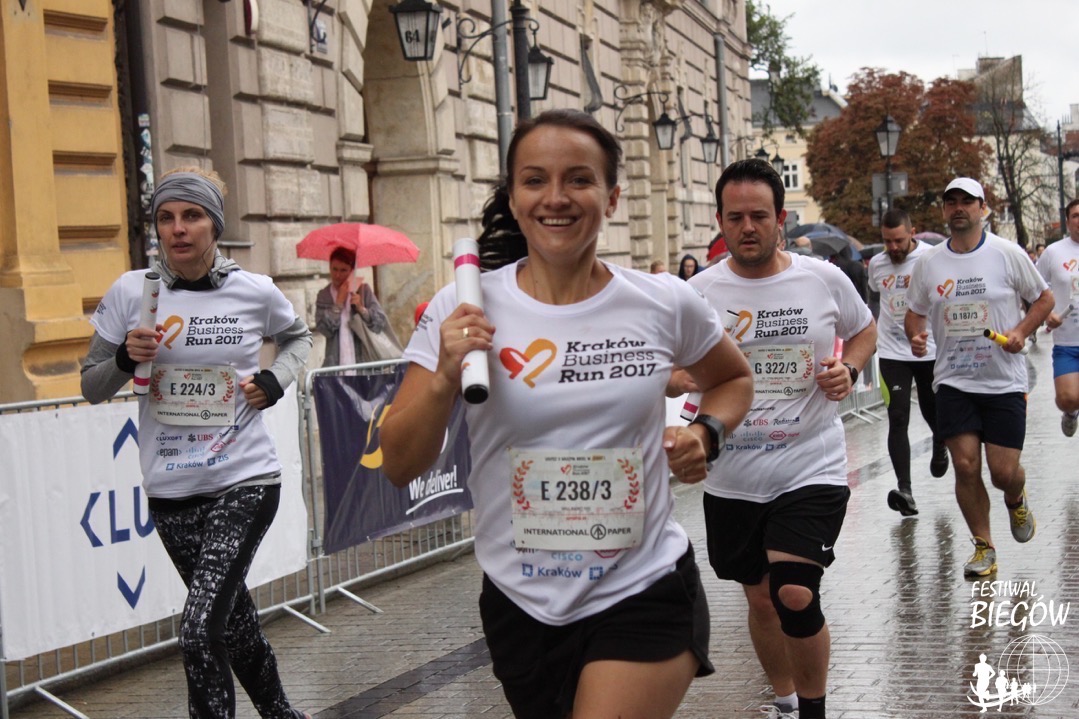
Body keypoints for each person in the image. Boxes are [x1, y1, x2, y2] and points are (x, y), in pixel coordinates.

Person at [379, 109, 753, 719]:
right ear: (514, 197)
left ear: (612, 197)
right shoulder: (463, 308)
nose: (556, 197)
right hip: (520, 602)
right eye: (535, 180)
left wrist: (705, 432)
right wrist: (446, 374)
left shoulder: (662, 301)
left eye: (579, 179)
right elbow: (399, 463)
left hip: (642, 587)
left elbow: (733, 378)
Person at [80, 168, 313, 719]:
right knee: (232, 624)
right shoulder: (132, 292)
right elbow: (91, 386)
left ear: (215, 225)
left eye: (192, 216)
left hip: (244, 479)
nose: (178, 229)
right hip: (171, 490)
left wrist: (274, 380)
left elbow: (298, 338)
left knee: (198, 628)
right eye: (166, 218)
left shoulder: (253, 290)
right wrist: (124, 358)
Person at [687, 158, 877, 719]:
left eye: (760, 216)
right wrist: (682, 383)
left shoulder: (822, 279)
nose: (748, 227)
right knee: (762, 600)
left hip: (810, 464)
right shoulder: (697, 293)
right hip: (734, 476)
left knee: (794, 592)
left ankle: (813, 712)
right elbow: (669, 368)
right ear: (720, 222)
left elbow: (864, 329)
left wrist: (850, 368)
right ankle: (786, 700)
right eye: (736, 217)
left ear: (781, 219)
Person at [905, 177, 1052, 577]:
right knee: (966, 465)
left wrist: (1021, 331)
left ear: (982, 208)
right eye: (950, 201)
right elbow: (915, 312)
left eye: (966, 201)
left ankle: (1016, 497)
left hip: (1003, 380)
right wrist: (915, 337)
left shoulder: (1006, 254)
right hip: (953, 380)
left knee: (1002, 472)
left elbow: (1044, 298)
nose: (958, 208)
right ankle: (984, 548)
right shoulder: (929, 263)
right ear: (943, 210)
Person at [867, 209, 948, 517]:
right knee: (898, 416)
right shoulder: (877, 264)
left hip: (928, 350)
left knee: (932, 410)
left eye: (899, 240)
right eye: (887, 241)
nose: (893, 247)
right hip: (891, 352)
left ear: (912, 232)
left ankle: (940, 442)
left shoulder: (931, 259)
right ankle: (906, 491)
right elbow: (875, 297)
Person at [1036, 197, 1079, 436]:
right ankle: (1071, 412)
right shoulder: (1053, 253)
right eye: (1076, 216)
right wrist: (1047, 314)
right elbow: (1034, 290)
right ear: (1068, 221)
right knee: (1067, 399)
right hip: (1067, 342)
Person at [314, 247, 392, 367]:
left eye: (343, 270)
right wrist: (338, 304)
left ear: (352, 271)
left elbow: (380, 323)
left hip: (363, 362)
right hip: (335, 363)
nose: (337, 275)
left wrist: (362, 309)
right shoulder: (324, 295)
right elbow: (324, 329)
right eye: (334, 269)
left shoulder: (363, 290)